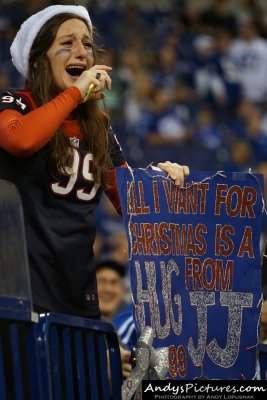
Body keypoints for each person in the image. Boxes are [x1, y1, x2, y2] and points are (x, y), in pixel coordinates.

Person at [0, 4, 189, 323]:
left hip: (78, 295)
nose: (81, 52)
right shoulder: (15, 103)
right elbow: (20, 140)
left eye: (87, 44)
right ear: (37, 59)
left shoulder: (97, 125)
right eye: (67, 43)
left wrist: (163, 182)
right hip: (17, 292)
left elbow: (133, 204)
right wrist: (76, 92)